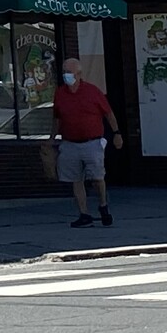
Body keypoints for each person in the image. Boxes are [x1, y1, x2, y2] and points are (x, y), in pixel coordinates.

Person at [52, 57, 123, 226]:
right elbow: (56, 118)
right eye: (64, 72)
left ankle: (103, 205)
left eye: (69, 72)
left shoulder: (92, 91)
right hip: (70, 142)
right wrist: (51, 138)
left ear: (79, 74)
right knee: (76, 179)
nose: (66, 75)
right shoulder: (60, 93)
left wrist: (116, 133)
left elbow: (109, 114)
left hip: (92, 142)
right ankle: (83, 214)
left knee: (97, 177)